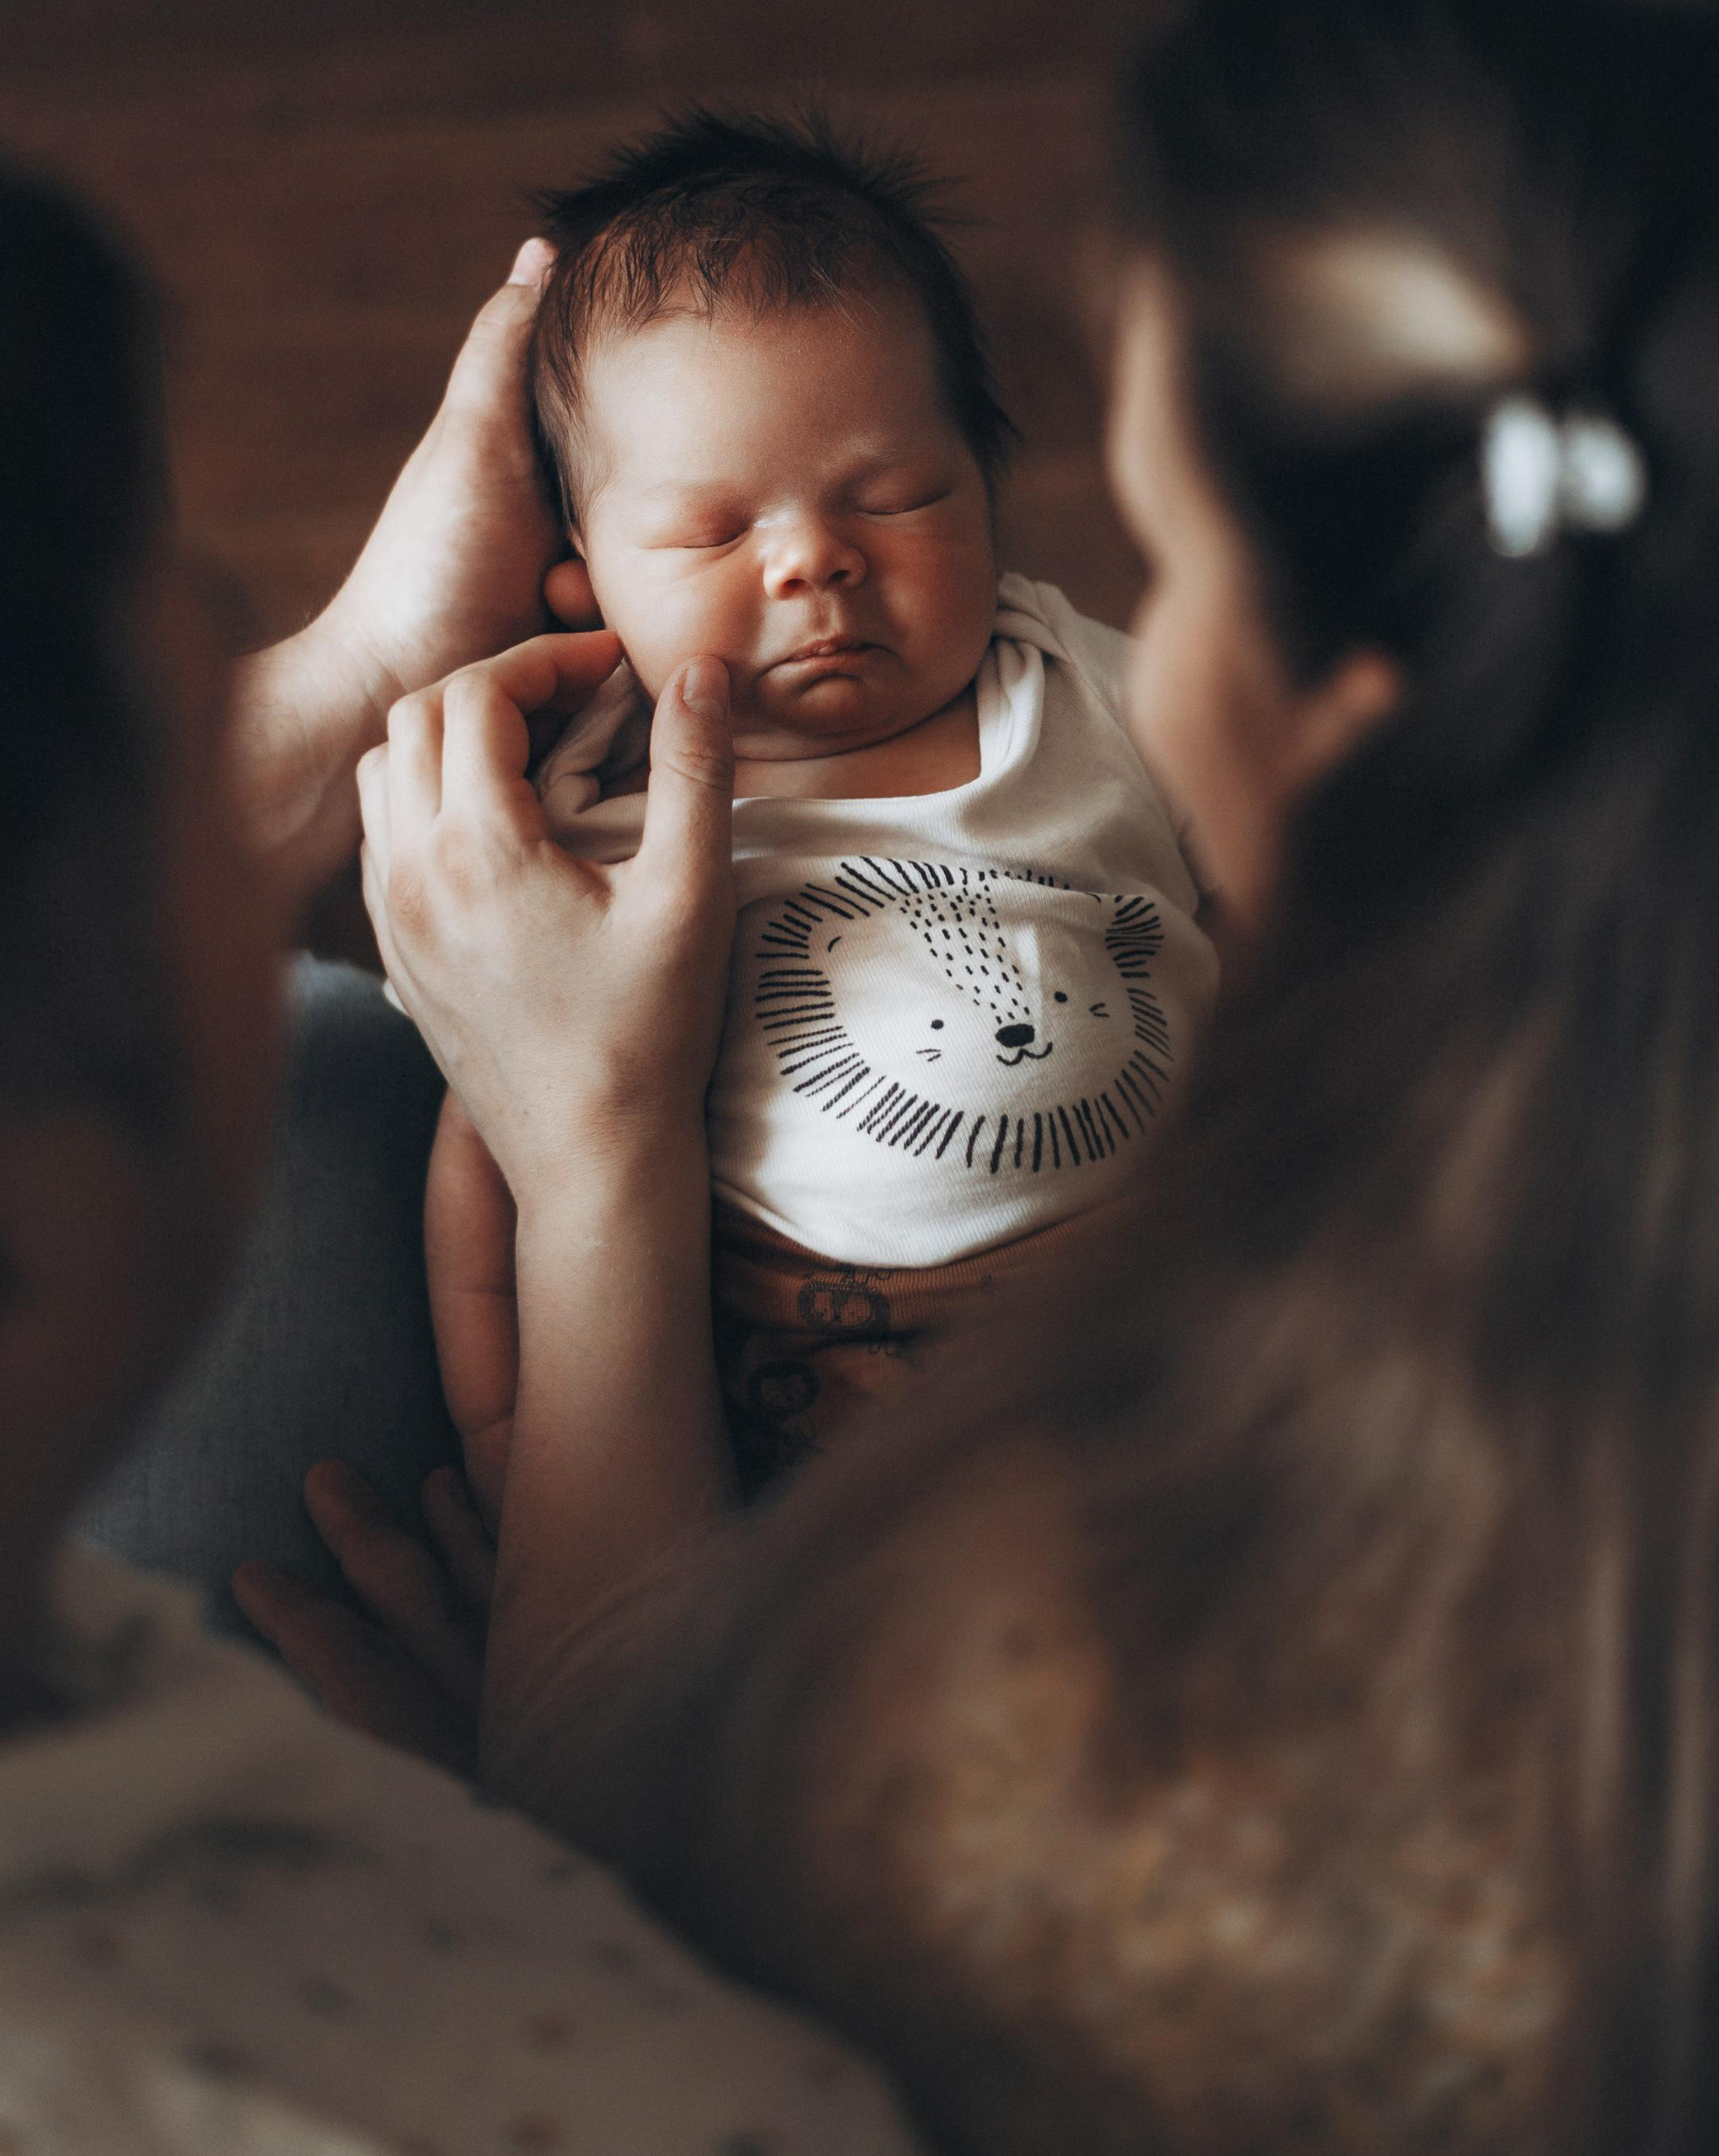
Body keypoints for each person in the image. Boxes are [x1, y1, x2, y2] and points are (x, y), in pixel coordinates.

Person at [277, 0, 1719, 2156]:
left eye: (1158, 536)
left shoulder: (1100, 1697)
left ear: (1356, 697)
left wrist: (522, 1794)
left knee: (280, 1125)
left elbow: (676, 1951)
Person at [0, 94, 992, 2156]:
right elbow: (729, 1924)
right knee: (354, 1061)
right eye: (200, 738)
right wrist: (548, 1823)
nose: (291, 799)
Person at [423, 109, 1217, 1508]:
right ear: (581, 573)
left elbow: (1276, 869)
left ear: (986, 488)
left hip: (1165, 1289)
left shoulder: (1081, 681)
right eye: (713, 532)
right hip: (790, 1356)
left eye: (897, 497)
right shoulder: (573, 790)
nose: (813, 563)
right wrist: (512, 1437)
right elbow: (492, 1132)